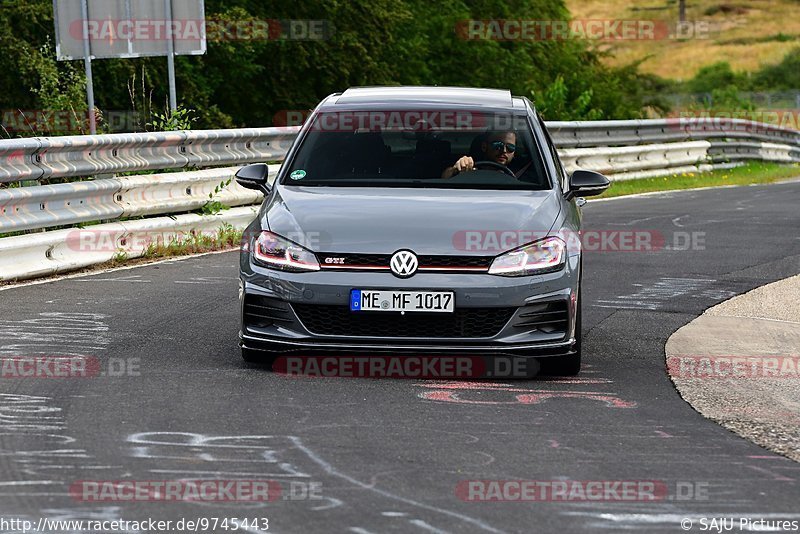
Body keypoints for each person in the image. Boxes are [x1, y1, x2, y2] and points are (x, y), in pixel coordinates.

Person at [441, 130, 517, 178]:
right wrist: (456, 169)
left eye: (510, 147)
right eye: (497, 145)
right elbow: (445, 176)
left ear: (514, 152)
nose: (504, 150)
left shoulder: (523, 176)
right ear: (484, 147)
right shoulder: (469, 169)